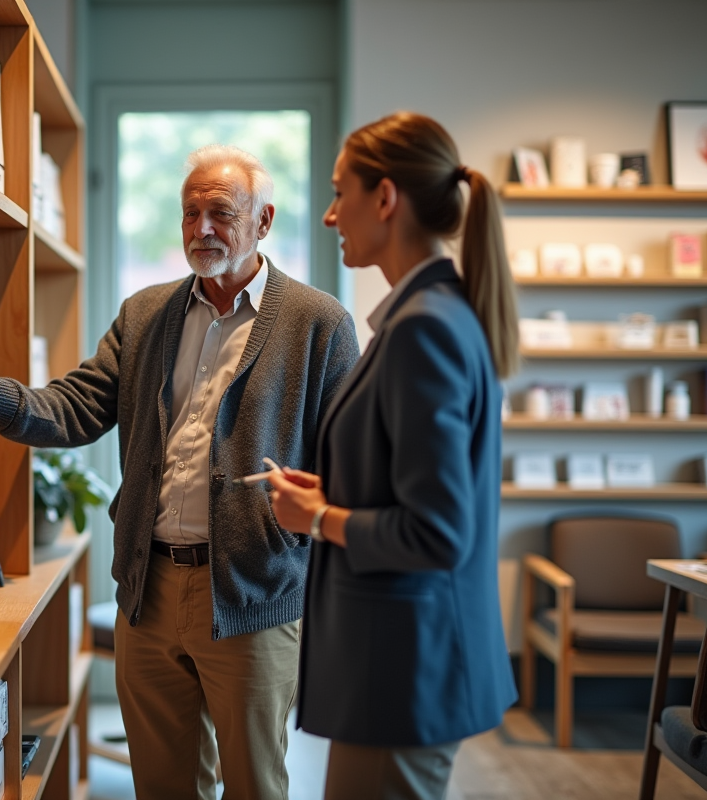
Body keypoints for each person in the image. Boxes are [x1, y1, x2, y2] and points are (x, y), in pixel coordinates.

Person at [0, 144, 359, 799]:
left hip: (252, 597)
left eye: (221, 212)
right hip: (147, 591)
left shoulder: (318, 322)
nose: (202, 229)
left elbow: (349, 462)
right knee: (161, 785)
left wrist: (294, 528)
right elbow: (75, 407)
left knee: (256, 787)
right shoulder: (145, 313)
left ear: (264, 221)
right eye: (191, 214)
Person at [268, 112, 519, 800]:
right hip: (404, 665)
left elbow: (436, 531)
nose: (327, 215)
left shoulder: (424, 330)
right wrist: (337, 489)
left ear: (385, 198)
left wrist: (320, 518)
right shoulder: (433, 316)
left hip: (403, 671)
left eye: (338, 191)